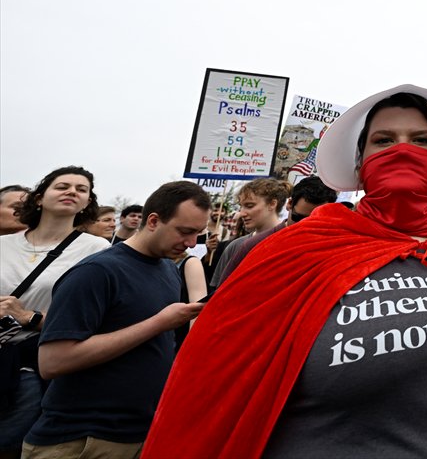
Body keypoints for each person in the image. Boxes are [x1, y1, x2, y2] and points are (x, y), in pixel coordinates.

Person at [143, 84, 427, 459]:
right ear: (360, 164)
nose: (402, 149)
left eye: (421, 140)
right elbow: (214, 392)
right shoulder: (294, 253)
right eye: (383, 140)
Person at [22, 182, 211, 459]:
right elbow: (53, 361)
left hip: (137, 436)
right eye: (185, 232)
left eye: (198, 234)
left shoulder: (169, 271)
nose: (192, 243)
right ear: (154, 221)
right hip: (80, 441)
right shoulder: (97, 271)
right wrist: (159, 323)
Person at [0, 166, 108, 458]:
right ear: (39, 198)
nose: (72, 191)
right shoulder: (3, 244)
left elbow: (95, 320)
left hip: (31, 364)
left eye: (81, 189)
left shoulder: (96, 249)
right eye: (62, 186)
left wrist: (28, 316)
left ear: (87, 203)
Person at [210, 176, 337, 288]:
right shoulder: (252, 246)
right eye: (299, 218)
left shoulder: (332, 251)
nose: (305, 226)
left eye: (315, 221)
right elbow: (221, 295)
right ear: (290, 204)